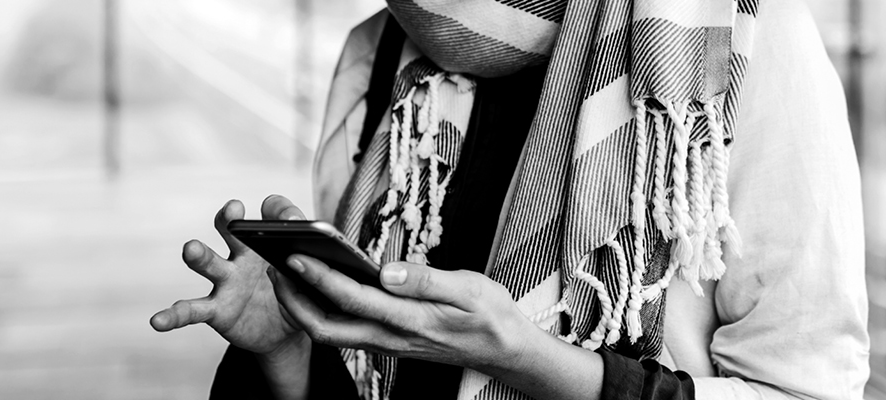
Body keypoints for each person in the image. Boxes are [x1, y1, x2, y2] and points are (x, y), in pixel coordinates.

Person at [150, 0, 870, 398]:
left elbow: (807, 390)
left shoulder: (743, 41)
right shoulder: (381, 51)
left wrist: (532, 362)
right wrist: (290, 354)